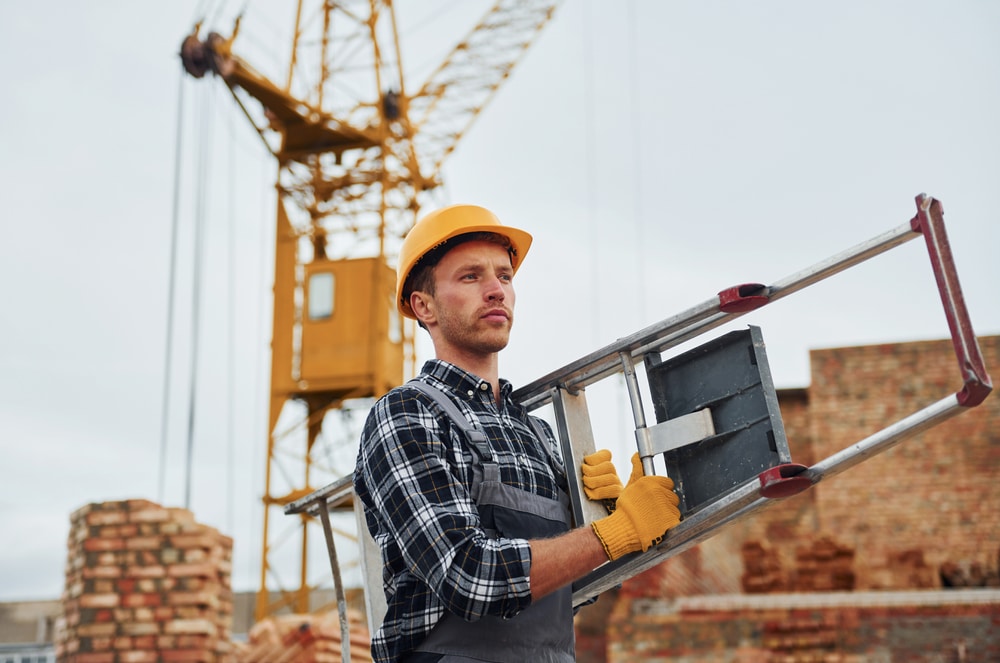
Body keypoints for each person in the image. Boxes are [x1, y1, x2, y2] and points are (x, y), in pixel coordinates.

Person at [353, 204, 682, 663]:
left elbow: (569, 594)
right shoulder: (407, 414)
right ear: (422, 306)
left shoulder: (538, 434)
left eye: (504, 276)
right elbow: (466, 577)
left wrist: (612, 520)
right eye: (471, 277)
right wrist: (610, 535)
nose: (495, 291)